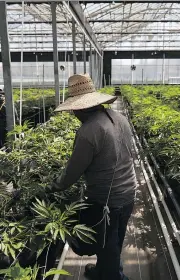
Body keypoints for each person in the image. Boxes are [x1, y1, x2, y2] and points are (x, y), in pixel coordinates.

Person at [49, 74, 136, 280]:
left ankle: (114, 276)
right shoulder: (119, 118)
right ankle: (105, 271)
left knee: (107, 244)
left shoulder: (89, 131)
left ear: (80, 108)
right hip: (129, 191)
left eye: (73, 110)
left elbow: (72, 172)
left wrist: (53, 186)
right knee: (114, 238)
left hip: (107, 198)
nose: (73, 114)